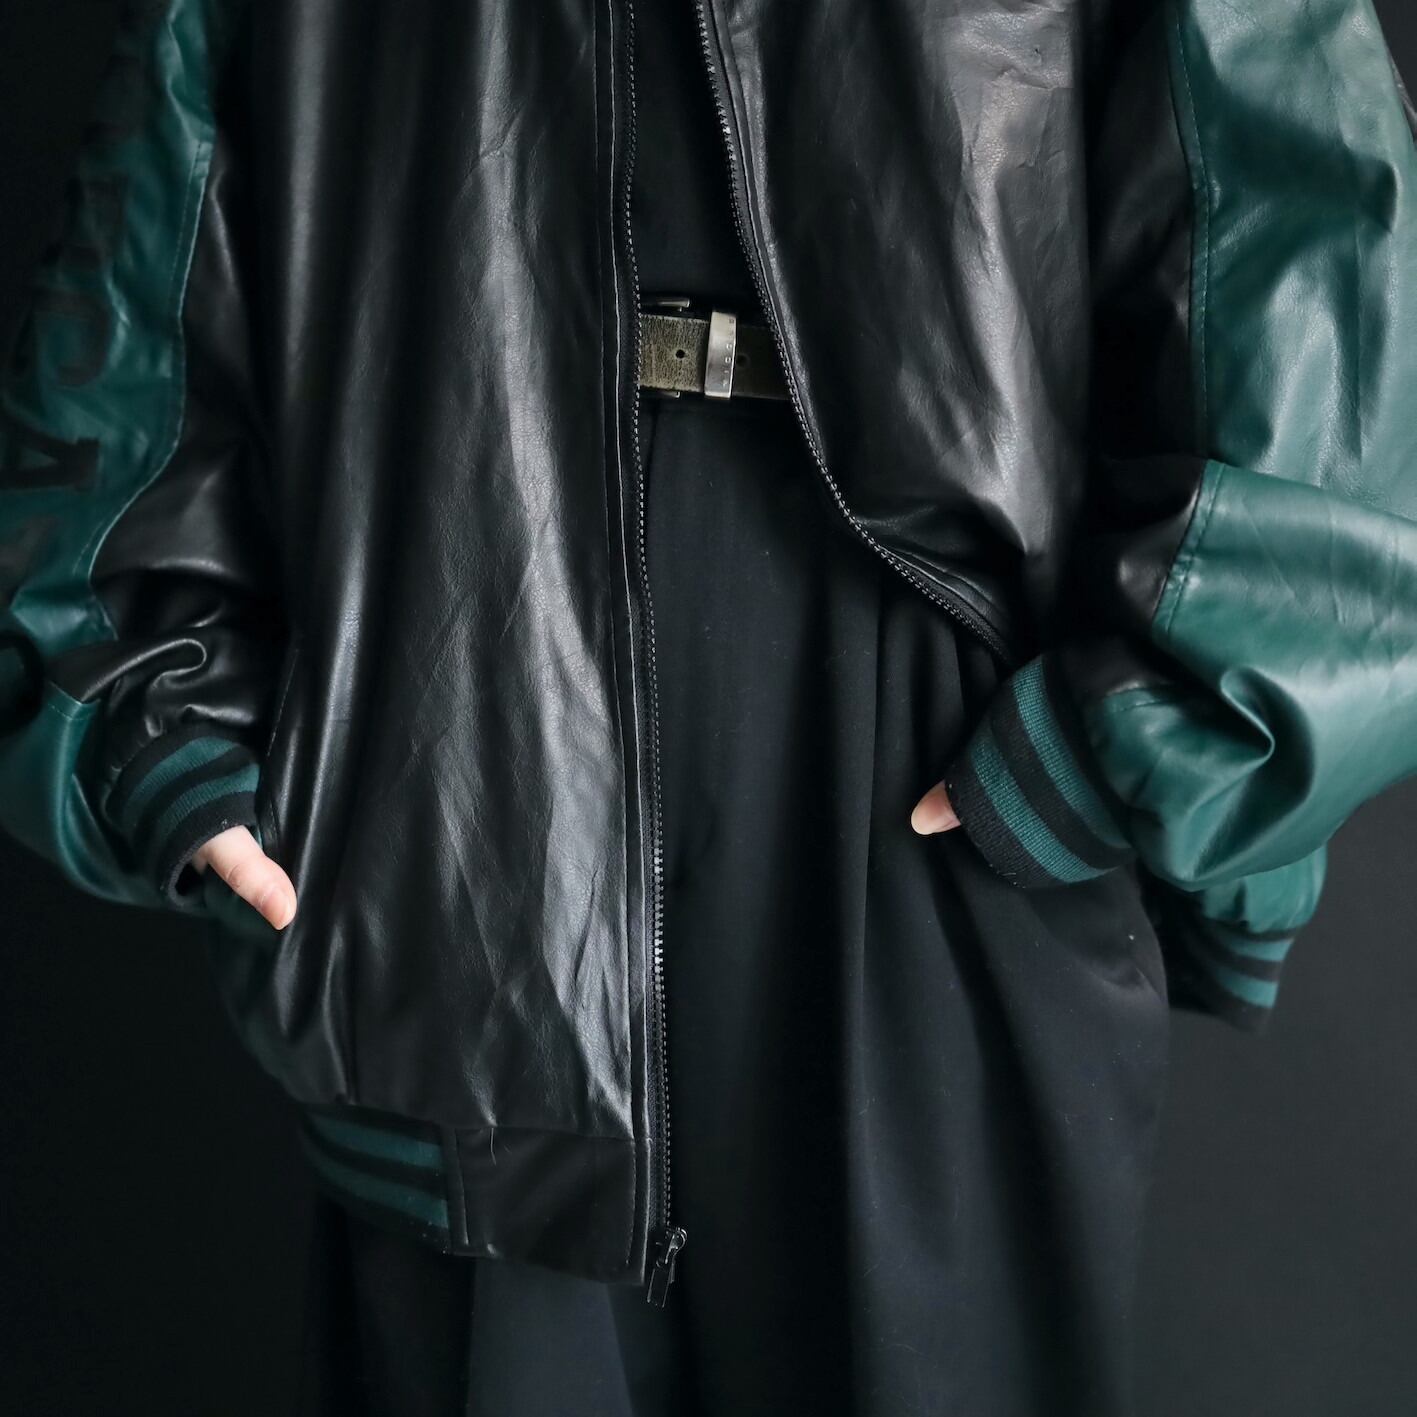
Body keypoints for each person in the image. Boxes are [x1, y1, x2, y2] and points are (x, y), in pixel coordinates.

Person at [1, 0, 1415, 1412]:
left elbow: (1311, 224)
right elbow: (155, 237)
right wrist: (156, 713)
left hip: (929, 719)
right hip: (452, 702)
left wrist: (1143, 725)